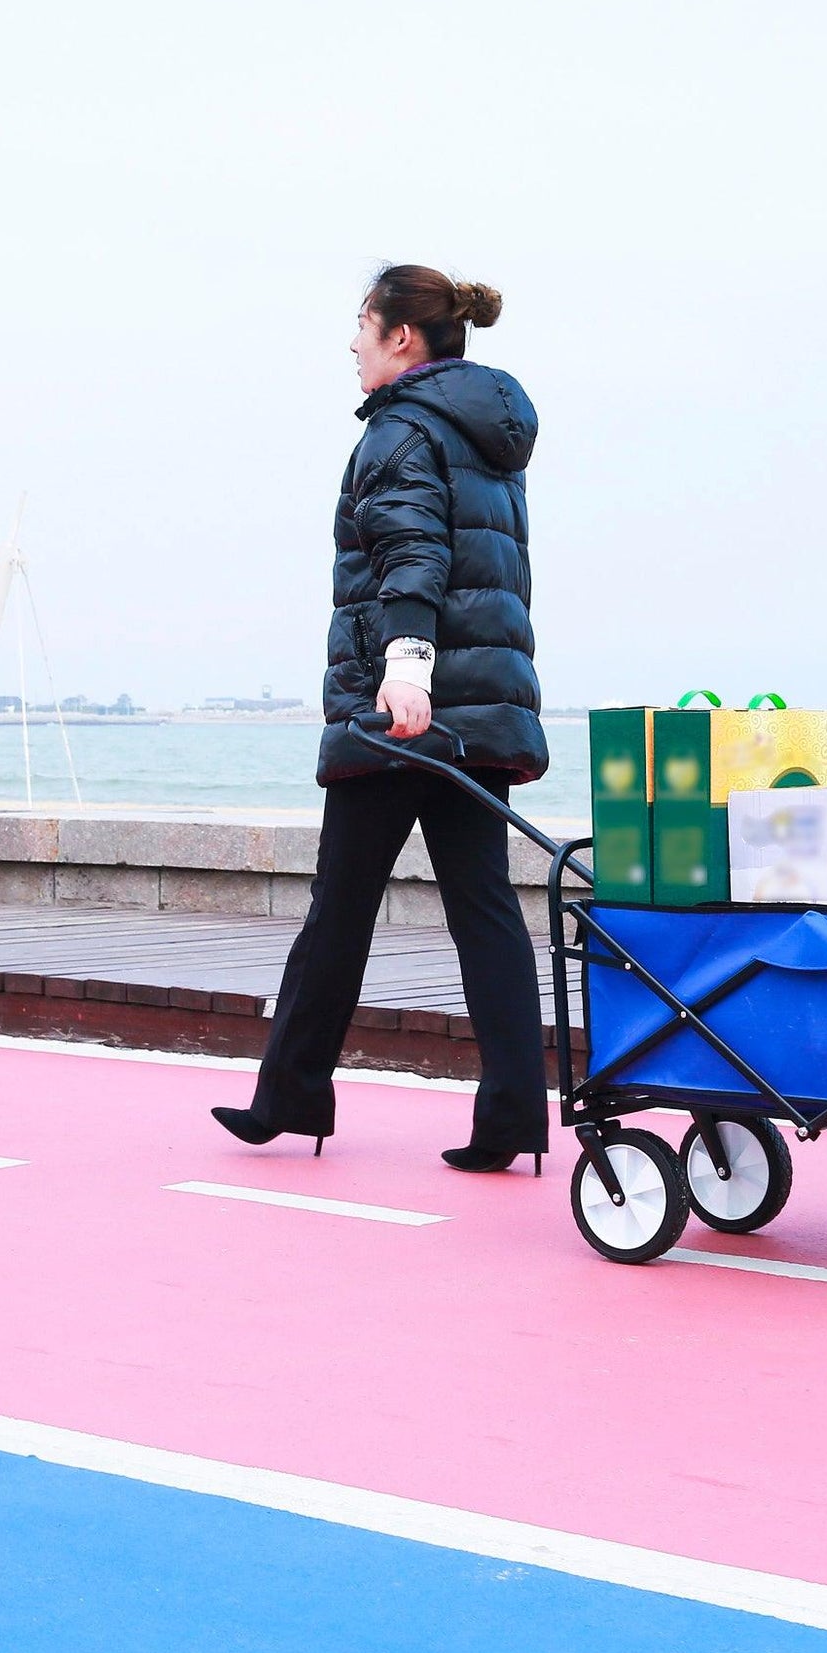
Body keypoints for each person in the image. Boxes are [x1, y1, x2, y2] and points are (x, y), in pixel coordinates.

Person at [210, 265, 551, 1173]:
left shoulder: (401, 430)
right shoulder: (487, 437)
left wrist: (405, 669)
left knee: (340, 911)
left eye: (361, 323)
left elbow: (412, 553)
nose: (352, 342)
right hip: (480, 708)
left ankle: (288, 1099)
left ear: (403, 336)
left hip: (405, 714)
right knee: (486, 913)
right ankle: (513, 1117)